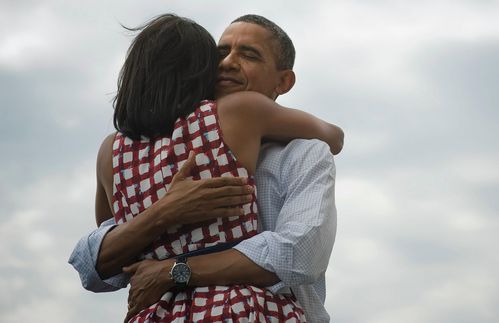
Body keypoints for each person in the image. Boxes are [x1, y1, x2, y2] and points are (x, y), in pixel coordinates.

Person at [69, 14, 341, 323]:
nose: (227, 63)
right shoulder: (231, 118)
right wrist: (165, 212)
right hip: (242, 310)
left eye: (249, 55)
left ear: (283, 81)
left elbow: (299, 255)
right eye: (220, 53)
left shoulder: (303, 154)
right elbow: (101, 258)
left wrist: (174, 270)